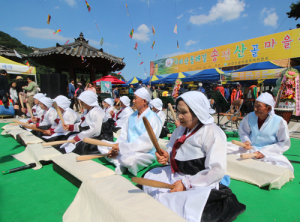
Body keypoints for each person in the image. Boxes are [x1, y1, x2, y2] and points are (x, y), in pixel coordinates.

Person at [143, 91, 245, 222]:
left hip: (198, 181)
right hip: (176, 174)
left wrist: (185, 184)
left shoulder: (213, 133)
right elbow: (172, 147)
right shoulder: (180, 129)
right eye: (178, 111)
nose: (179, 116)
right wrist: (167, 156)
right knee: (150, 178)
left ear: (197, 112)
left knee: (192, 207)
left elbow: (216, 170)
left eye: (183, 112)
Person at [97, 88, 163, 175]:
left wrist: (122, 148)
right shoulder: (132, 116)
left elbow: (148, 144)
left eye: (135, 98)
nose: (133, 101)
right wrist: (115, 148)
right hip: (125, 149)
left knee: (130, 159)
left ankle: (121, 162)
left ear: (144, 101)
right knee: (101, 144)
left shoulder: (153, 118)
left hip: (144, 153)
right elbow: (123, 135)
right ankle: (120, 163)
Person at [228, 92, 294, 173]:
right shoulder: (250, 116)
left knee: (284, 166)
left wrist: (264, 152)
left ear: (269, 108)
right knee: (225, 150)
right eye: (255, 106)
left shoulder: (279, 122)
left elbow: (283, 143)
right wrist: (247, 141)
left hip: (269, 152)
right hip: (251, 149)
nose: (255, 109)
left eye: (258, 106)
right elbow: (244, 132)